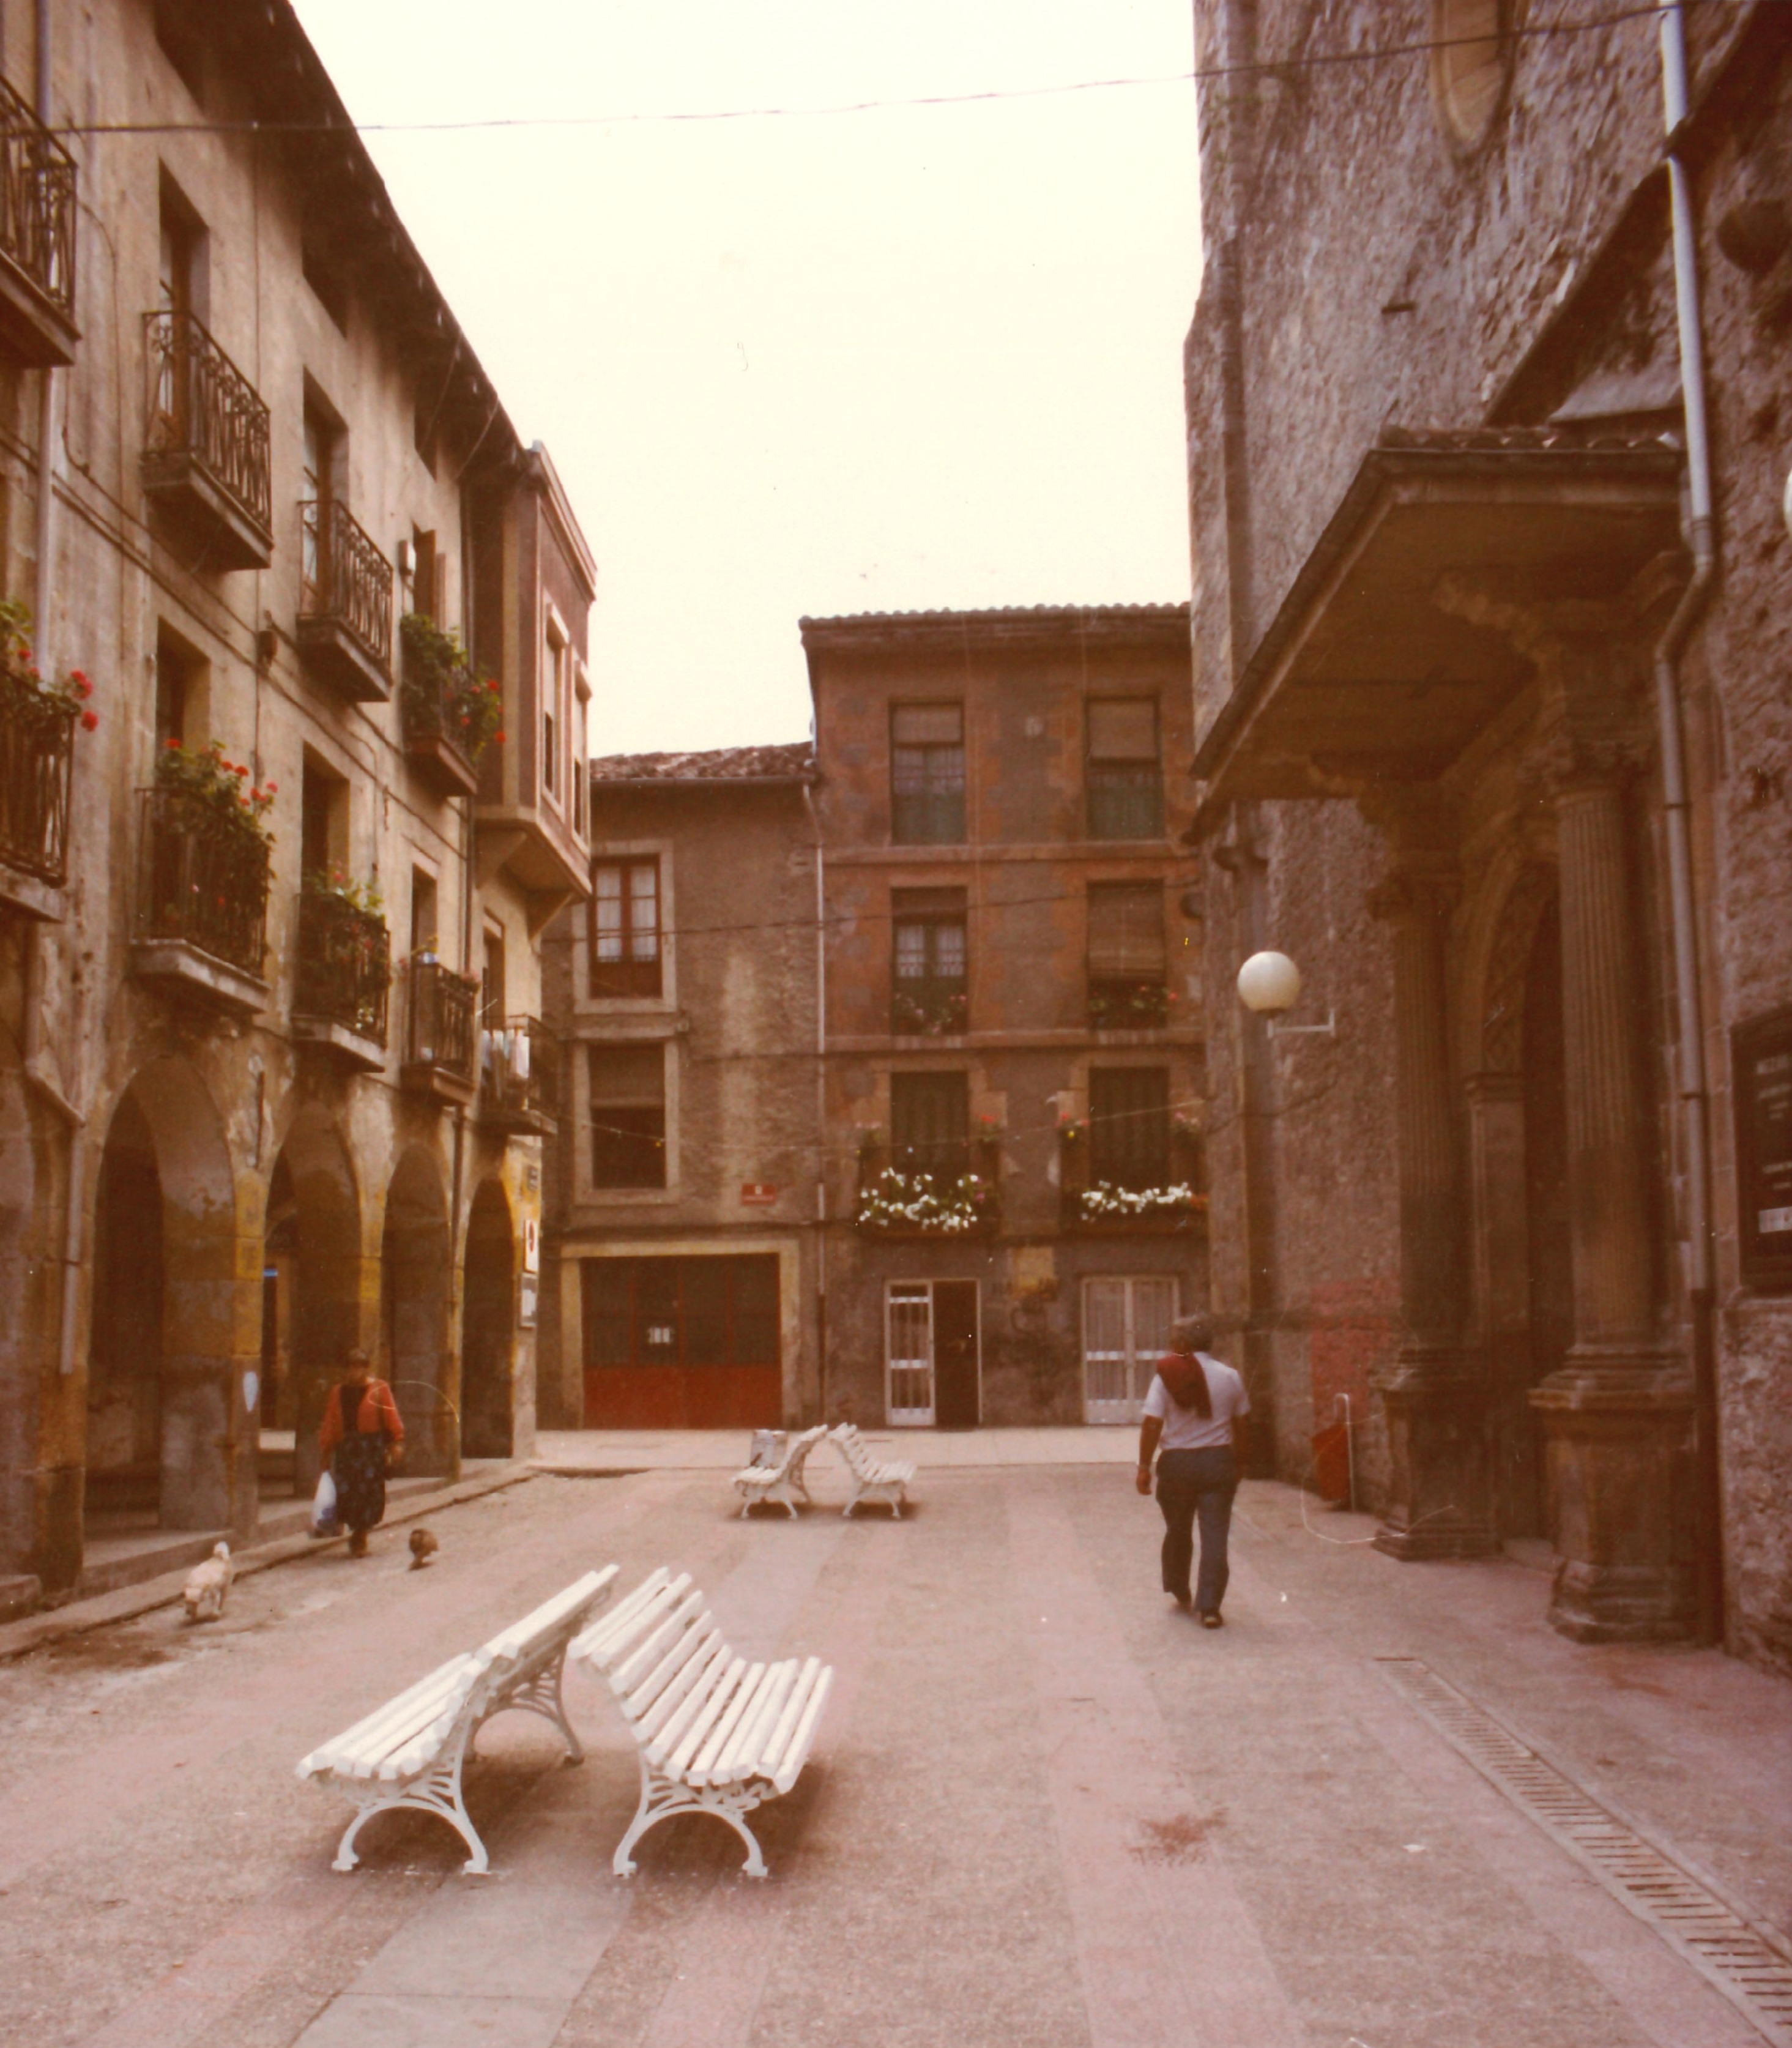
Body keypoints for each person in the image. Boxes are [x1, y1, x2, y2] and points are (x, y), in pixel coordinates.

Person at [1134, 1316, 1249, 1626]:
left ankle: (1178, 1584)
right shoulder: (1230, 1376)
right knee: (1215, 1536)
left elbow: (1153, 1422)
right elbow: (1241, 1424)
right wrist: (1239, 1463)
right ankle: (1210, 1607)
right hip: (1217, 1462)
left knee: (1178, 1528)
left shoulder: (1166, 1376)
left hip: (1177, 1466)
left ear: (1183, 1344)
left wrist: (1144, 1466)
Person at [318, 1347, 404, 1558]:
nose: (354, 1371)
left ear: (366, 1368)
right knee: (347, 1493)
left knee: (368, 1494)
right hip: (347, 1449)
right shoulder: (338, 1391)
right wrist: (326, 1451)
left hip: (370, 1449)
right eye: (350, 1367)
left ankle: (361, 1534)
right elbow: (331, 1421)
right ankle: (356, 1531)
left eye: (358, 1367)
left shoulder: (379, 1388)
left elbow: (390, 1415)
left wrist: (396, 1441)